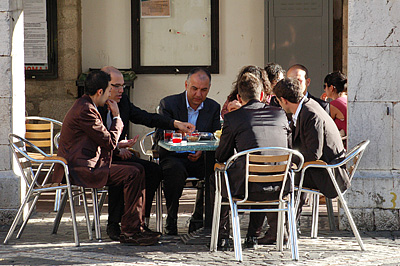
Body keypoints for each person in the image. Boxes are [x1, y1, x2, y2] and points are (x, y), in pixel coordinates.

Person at [53, 70, 159, 245]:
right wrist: (117, 117)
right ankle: (130, 231)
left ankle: (134, 227)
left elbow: (100, 140)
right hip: (81, 169)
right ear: (100, 92)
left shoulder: (86, 105)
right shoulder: (86, 110)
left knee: (137, 169)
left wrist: (120, 144)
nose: (112, 94)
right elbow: (108, 142)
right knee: (133, 172)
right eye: (110, 90)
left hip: (89, 164)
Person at [97, 66, 195, 241]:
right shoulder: (93, 106)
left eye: (123, 86)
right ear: (103, 86)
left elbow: (146, 117)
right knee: (126, 171)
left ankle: (140, 221)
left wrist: (175, 123)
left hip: (118, 153)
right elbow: (95, 140)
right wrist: (118, 149)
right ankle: (114, 224)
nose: (121, 90)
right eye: (117, 86)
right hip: (100, 159)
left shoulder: (123, 101)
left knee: (153, 170)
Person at [212, 71, 290, 250]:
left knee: (217, 179)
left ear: (239, 97)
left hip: (246, 189)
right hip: (280, 187)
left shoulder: (232, 118)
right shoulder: (280, 115)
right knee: (260, 172)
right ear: (262, 95)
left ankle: (222, 237)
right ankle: (262, 234)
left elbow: (221, 156)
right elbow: (288, 147)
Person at [154, 67, 221, 235]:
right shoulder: (168, 104)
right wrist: (181, 134)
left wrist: (201, 150)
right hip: (174, 156)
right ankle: (171, 219)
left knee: (214, 170)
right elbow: (159, 135)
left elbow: (214, 136)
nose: (198, 94)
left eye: (203, 90)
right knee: (173, 170)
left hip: (200, 157)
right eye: (194, 88)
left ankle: (200, 219)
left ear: (209, 89)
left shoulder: (213, 107)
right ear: (186, 85)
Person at [273, 77, 349, 221]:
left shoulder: (310, 113)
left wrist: (286, 159)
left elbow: (314, 153)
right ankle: (288, 226)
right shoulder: (308, 106)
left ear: (283, 100)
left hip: (328, 175)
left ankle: (282, 230)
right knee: (286, 172)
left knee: (278, 178)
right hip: (324, 168)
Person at [321, 71, 348, 136]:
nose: (324, 89)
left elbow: (324, 124)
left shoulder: (335, 104)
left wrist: (323, 104)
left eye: (325, 86)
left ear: (331, 88)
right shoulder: (347, 99)